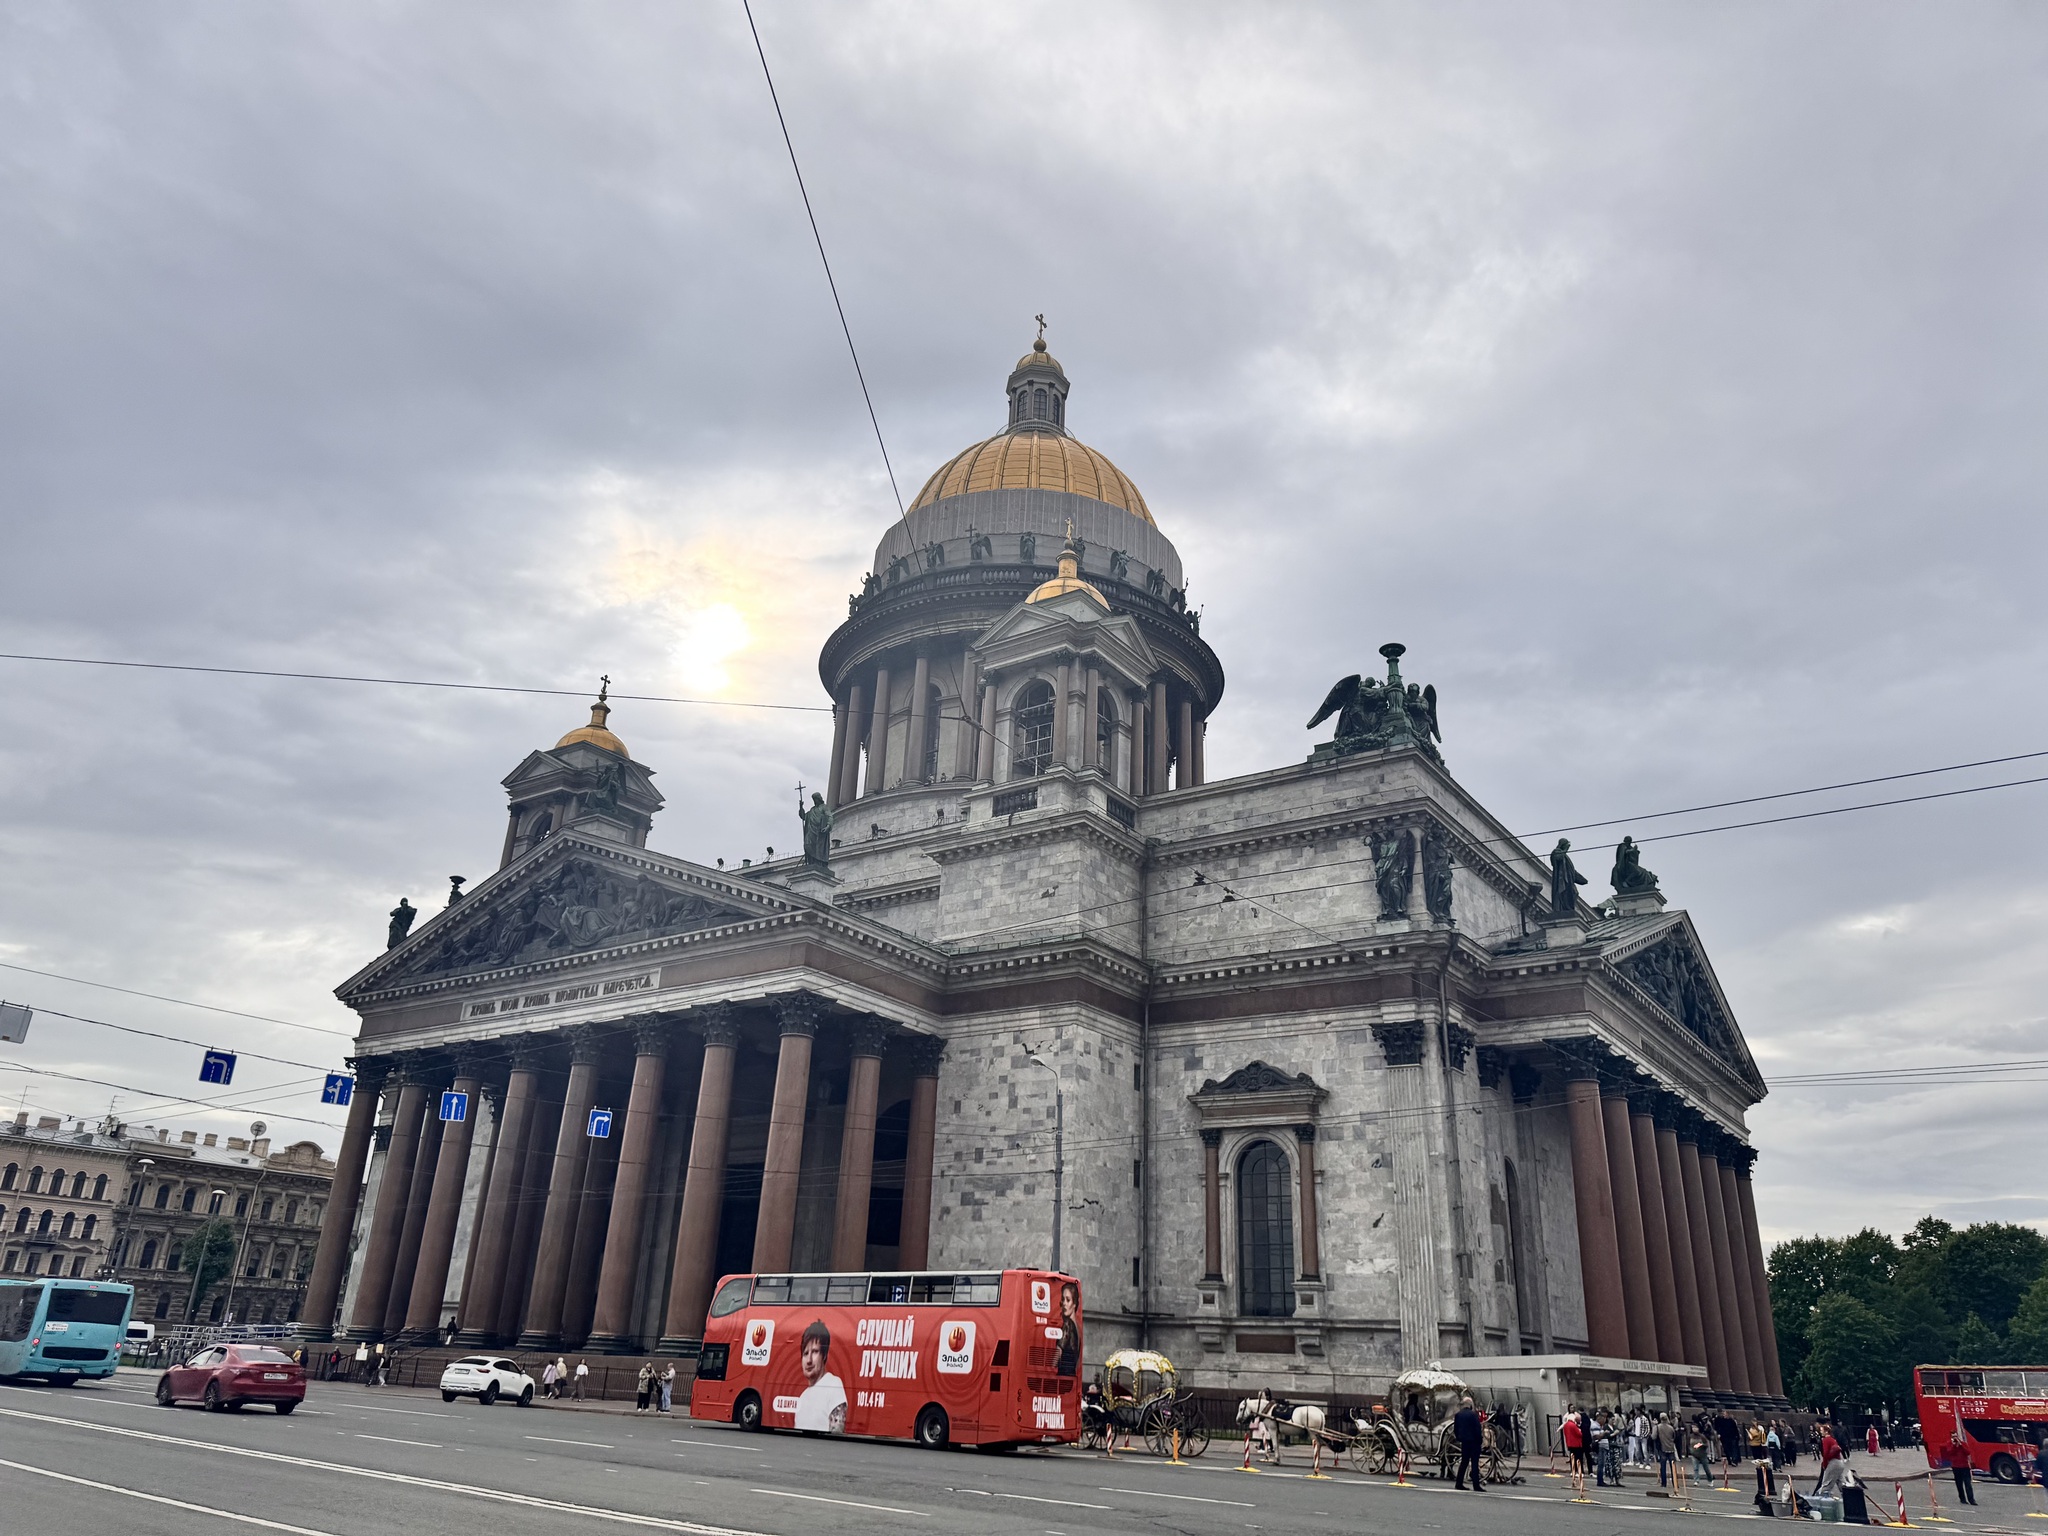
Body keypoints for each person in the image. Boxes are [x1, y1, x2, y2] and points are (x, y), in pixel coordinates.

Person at [793, 1319, 847, 1433]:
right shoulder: (802, 1398)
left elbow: (837, 1430)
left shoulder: (833, 1384)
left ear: (824, 1355)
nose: (809, 1360)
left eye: (815, 1351)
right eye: (805, 1353)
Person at [1452, 1395, 1486, 1491]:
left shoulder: (1458, 1415)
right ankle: (1476, 1485)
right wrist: (1480, 1440)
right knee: (1474, 1463)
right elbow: (1477, 1429)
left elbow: (1456, 1429)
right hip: (1474, 1441)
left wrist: (1459, 1438)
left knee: (1464, 1462)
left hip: (1464, 1441)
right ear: (1470, 1405)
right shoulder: (1473, 1415)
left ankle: (1459, 1483)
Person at [1055, 1283, 1082, 1379]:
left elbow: (1056, 1357)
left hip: (1062, 1377)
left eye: (1068, 1300)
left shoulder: (1068, 1325)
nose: (1064, 1303)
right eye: (1063, 1299)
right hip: (1071, 1377)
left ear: (1074, 1304)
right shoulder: (1078, 1328)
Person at [1944, 1431, 1977, 1506]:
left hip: (1965, 1466)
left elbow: (1968, 1452)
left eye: (1956, 1436)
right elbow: (1949, 1452)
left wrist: (1961, 1445)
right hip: (1956, 1467)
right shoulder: (1949, 1444)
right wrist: (1954, 1446)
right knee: (1959, 1484)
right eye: (1953, 1437)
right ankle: (1962, 1499)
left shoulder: (1963, 1444)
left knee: (1968, 1484)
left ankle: (1971, 1500)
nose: (1955, 1438)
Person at [1654, 1412, 1678, 1486]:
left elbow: (1653, 1436)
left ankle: (1664, 1483)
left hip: (1662, 1448)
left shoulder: (1658, 1427)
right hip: (1671, 1448)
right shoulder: (1671, 1427)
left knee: (1663, 1466)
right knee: (1673, 1467)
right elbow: (1674, 1437)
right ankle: (1675, 1482)